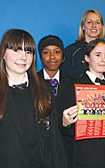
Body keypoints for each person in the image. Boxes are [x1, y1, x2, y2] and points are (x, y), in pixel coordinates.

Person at [0, 29, 67, 168]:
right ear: (3, 54)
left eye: (28, 52)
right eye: (16, 50)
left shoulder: (44, 87)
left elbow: (54, 140)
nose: (23, 57)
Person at [69, 39, 105, 168]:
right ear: (87, 58)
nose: (103, 59)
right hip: (85, 156)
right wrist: (65, 122)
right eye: (98, 55)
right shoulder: (73, 86)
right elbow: (64, 128)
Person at [37, 35, 78, 168]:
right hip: (39, 149)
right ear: (40, 56)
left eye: (57, 51)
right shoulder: (32, 82)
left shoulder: (73, 83)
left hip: (67, 150)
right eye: (46, 52)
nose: (52, 57)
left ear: (63, 56)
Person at [61, 9, 105, 79]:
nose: (94, 26)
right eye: (89, 22)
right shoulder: (71, 51)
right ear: (83, 26)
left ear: (101, 27)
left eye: (97, 22)